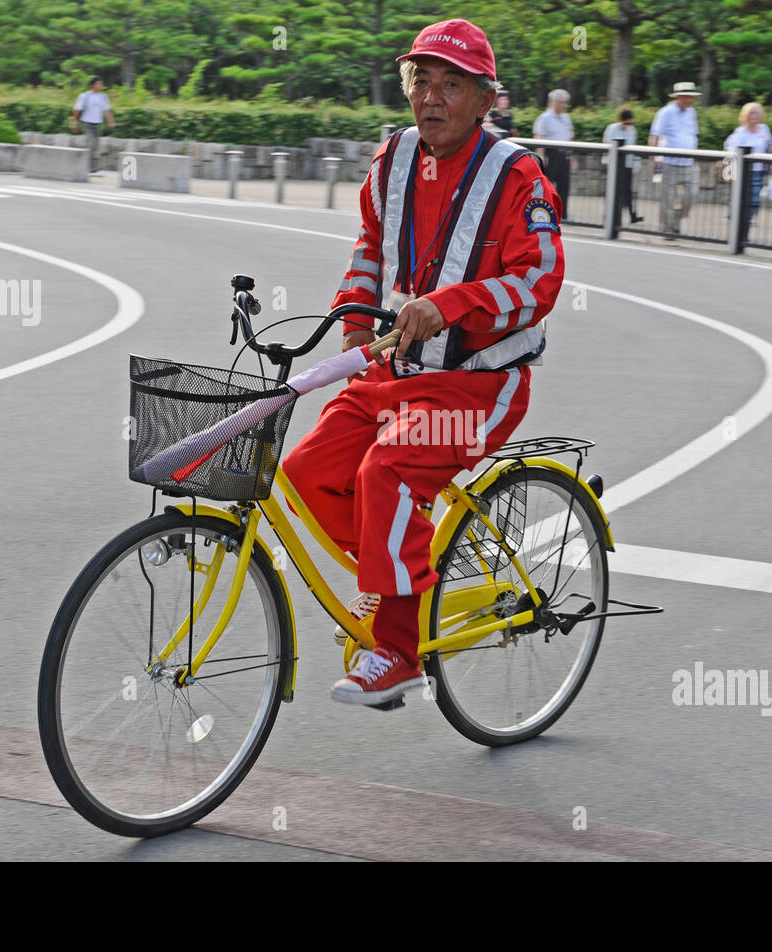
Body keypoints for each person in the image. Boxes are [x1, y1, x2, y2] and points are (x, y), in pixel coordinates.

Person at [280, 18, 565, 706]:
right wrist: (353, 312)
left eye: (452, 84)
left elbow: (543, 279)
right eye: (420, 80)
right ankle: (401, 580)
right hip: (397, 369)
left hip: (478, 383)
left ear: (486, 98)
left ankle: (399, 647)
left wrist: (451, 304)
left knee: (387, 471)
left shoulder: (518, 175)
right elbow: (371, 245)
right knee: (303, 474)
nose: (431, 98)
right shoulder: (394, 158)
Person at [649, 81, 700, 239]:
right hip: (669, 161)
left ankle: (676, 221)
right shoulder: (665, 112)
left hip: (688, 161)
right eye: (686, 97)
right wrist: (654, 157)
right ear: (678, 97)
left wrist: (696, 156)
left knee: (692, 195)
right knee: (668, 199)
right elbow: (655, 135)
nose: (689, 100)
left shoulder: (692, 112)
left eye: (691, 97)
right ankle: (667, 229)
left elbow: (693, 135)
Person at [724, 102, 772, 237]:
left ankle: (742, 228)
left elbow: (770, 148)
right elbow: (731, 152)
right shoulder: (740, 132)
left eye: (755, 113)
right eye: (750, 113)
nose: (753, 116)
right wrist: (730, 171)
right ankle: (739, 231)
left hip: (758, 171)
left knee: (754, 203)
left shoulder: (764, 129)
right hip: (743, 171)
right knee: (741, 201)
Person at [533, 89, 574, 220]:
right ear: (553, 102)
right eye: (561, 102)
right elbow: (539, 136)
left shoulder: (566, 118)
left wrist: (571, 156)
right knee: (547, 185)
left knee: (564, 185)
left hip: (564, 154)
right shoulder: (545, 117)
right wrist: (541, 155)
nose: (563, 104)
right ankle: (546, 212)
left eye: (565, 102)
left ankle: (563, 214)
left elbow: (569, 137)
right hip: (551, 153)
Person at [602, 109, 643, 224]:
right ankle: (608, 215)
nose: (628, 126)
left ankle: (632, 215)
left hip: (628, 163)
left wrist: (636, 161)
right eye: (627, 123)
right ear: (621, 121)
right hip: (614, 165)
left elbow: (633, 146)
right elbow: (606, 144)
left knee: (628, 191)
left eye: (630, 123)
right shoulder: (612, 128)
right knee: (612, 190)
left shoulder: (632, 130)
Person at [70, 77, 116, 173]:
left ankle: (91, 164)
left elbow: (107, 111)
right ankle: (90, 166)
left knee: (96, 146)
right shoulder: (84, 96)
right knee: (92, 144)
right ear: (93, 85)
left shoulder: (103, 96)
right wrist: (74, 123)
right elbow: (77, 110)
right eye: (99, 83)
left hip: (98, 124)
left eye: (101, 83)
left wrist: (111, 122)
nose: (101, 85)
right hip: (87, 123)